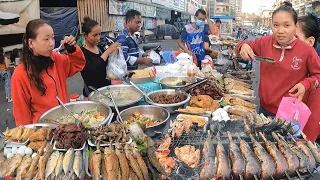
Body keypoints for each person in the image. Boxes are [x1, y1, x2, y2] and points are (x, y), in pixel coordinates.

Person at [236, 2, 320, 117]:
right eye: (276, 25)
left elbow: (318, 75)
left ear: (295, 27)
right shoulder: (264, 43)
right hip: (264, 109)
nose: (280, 30)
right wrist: (243, 47)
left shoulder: (307, 51)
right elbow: (240, 45)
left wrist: (306, 84)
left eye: (286, 25)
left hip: (290, 113)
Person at [11, 19, 86, 126]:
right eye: (46, 39)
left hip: (65, 122)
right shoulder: (20, 74)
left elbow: (77, 65)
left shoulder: (56, 59)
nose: (52, 43)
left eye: (53, 38)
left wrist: (72, 50)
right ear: (31, 43)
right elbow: (21, 114)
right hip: (43, 129)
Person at [80, 17, 120, 97]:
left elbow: (107, 66)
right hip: (92, 93)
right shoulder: (81, 53)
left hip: (107, 90)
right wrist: (108, 51)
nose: (98, 38)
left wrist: (114, 53)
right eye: (94, 35)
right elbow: (93, 70)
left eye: (99, 34)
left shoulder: (100, 47)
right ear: (85, 35)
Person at [296, 13, 320, 143]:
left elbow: (314, 118)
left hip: (302, 141)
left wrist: (305, 142)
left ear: (310, 41)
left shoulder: (316, 73)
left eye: (295, 38)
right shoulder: (300, 63)